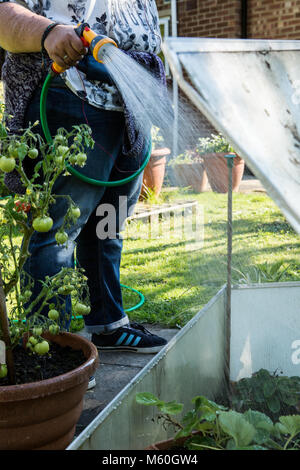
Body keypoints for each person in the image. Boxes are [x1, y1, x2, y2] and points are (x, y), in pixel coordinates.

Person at [0, 0, 168, 374]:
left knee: (107, 224)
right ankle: (50, 353)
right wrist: (48, 33)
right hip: (70, 93)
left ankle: (107, 324)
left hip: (126, 104)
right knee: (58, 232)